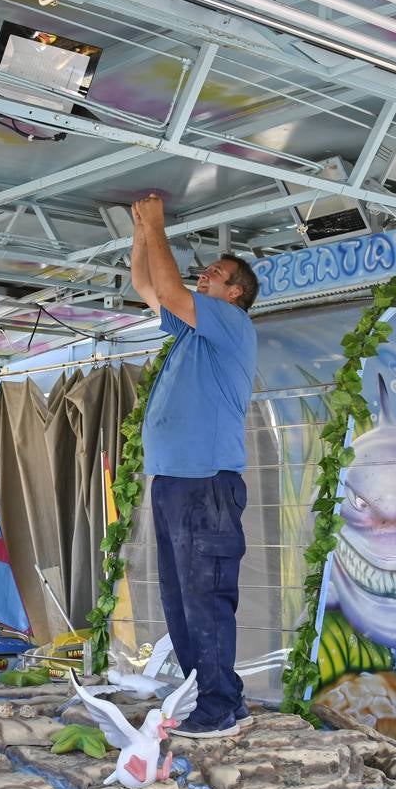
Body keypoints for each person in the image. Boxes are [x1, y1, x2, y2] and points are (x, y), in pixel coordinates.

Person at [129, 193, 258, 739]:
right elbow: (148, 287)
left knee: (204, 597)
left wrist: (158, 225)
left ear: (235, 293)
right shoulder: (191, 332)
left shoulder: (230, 322)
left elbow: (170, 291)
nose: (206, 274)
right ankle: (219, 698)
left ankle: (218, 708)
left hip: (205, 484)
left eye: (217, 273)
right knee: (181, 600)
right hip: (176, 483)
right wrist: (141, 232)